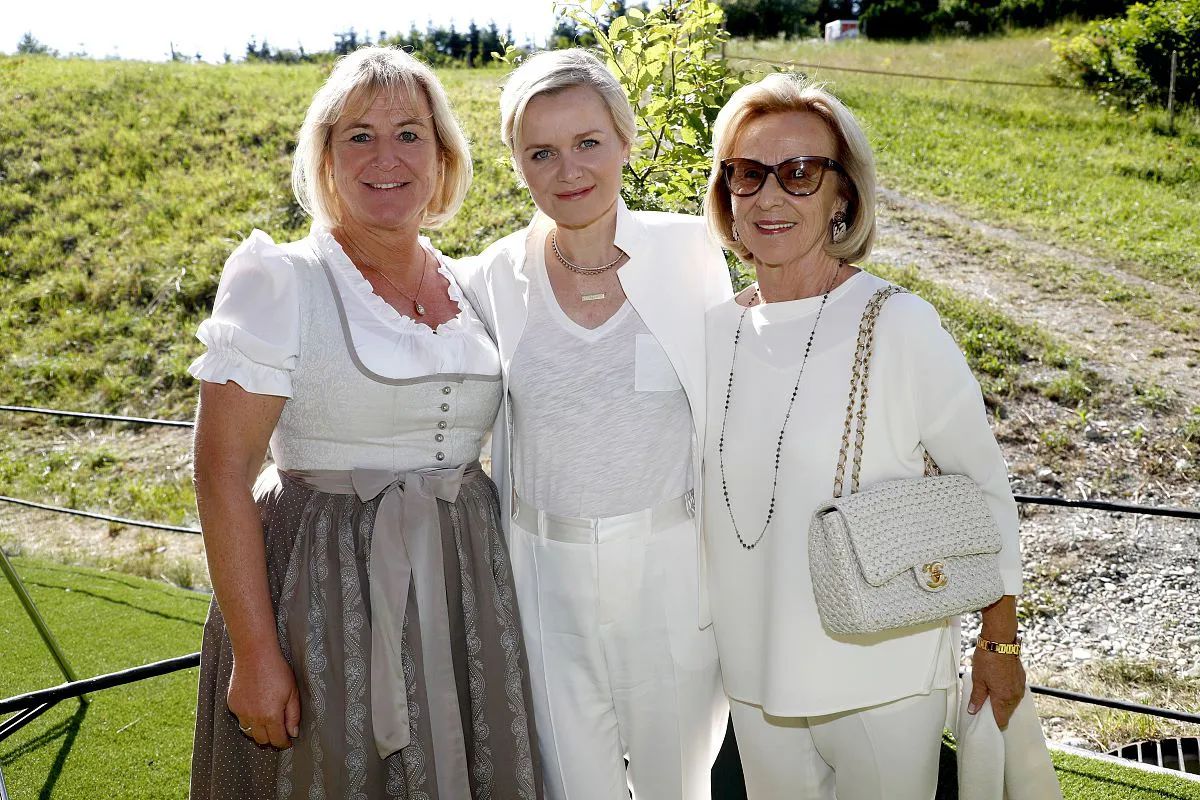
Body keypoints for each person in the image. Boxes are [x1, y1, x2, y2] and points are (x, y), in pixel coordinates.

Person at [187, 46, 541, 800]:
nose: (388, 157)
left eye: (410, 134)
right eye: (360, 136)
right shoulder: (281, 278)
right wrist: (256, 654)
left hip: (465, 585)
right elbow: (221, 472)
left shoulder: (468, 283)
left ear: (442, 157)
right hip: (324, 590)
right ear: (325, 158)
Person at [701, 73, 1026, 799]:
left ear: (842, 196)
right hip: (753, 672)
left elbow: (983, 490)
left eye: (800, 173)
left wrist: (999, 641)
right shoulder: (715, 333)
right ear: (727, 194)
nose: (771, 196)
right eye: (749, 173)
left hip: (883, 668)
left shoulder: (898, 323)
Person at [449, 48, 731, 800]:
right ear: (517, 163)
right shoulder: (492, 277)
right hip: (544, 578)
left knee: (678, 787)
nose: (567, 170)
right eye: (541, 152)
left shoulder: (692, 252)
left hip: (672, 571)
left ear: (625, 141)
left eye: (587, 143)